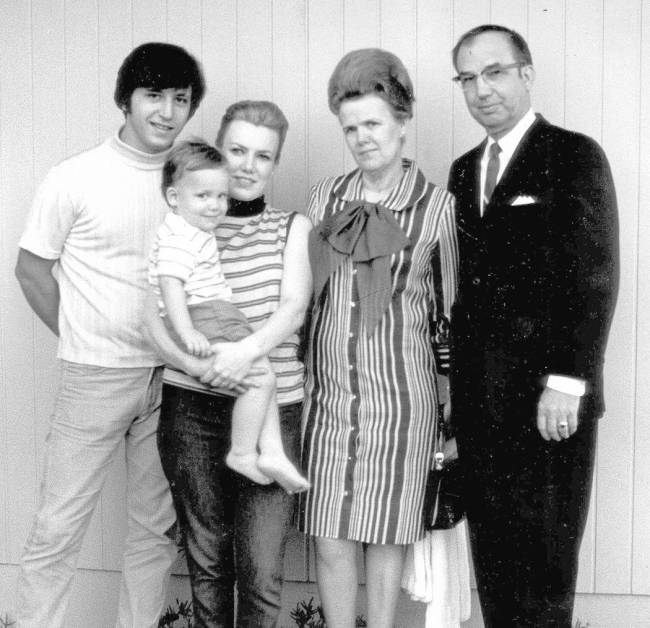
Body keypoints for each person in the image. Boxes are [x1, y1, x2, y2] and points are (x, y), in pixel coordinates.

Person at [13, 42, 205, 628]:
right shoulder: (76, 178)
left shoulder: (194, 182)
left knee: (154, 532)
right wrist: (79, 332)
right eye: (153, 96)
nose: (167, 112)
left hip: (172, 378)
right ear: (125, 99)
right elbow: (31, 268)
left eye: (180, 99)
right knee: (58, 524)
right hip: (94, 377)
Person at [448, 24, 619, 627]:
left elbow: (594, 275)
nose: (481, 90)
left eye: (493, 73)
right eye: (468, 78)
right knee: (494, 564)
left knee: (545, 567)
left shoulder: (572, 155)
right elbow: (464, 294)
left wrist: (568, 381)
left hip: (550, 403)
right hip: (481, 406)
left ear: (525, 73)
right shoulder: (464, 170)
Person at [299, 48, 458, 628]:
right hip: (327, 396)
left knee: (387, 535)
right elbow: (305, 295)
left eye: (373, 123)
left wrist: (451, 415)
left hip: (401, 398)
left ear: (401, 119)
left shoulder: (438, 209)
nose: (362, 138)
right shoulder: (324, 199)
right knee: (330, 534)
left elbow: (451, 318)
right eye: (350, 127)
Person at [143, 100, 313, 627]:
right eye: (236, 149)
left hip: (269, 413)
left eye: (263, 156)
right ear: (218, 148)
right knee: (207, 566)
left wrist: (240, 355)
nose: (246, 165)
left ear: (275, 164)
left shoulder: (292, 227)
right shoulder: (184, 221)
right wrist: (199, 368)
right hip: (194, 410)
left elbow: (293, 309)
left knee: (261, 574)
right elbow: (151, 318)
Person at [150, 139, 309, 493]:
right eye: (203, 196)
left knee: (260, 378)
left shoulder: (190, 230)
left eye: (221, 196)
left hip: (212, 313)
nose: (215, 206)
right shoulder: (181, 237)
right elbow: (170, 284)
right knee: (263, 379)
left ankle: (268, 451)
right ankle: (245, 451)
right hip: (207, 314)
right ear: (175, 198)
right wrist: (187, 329)